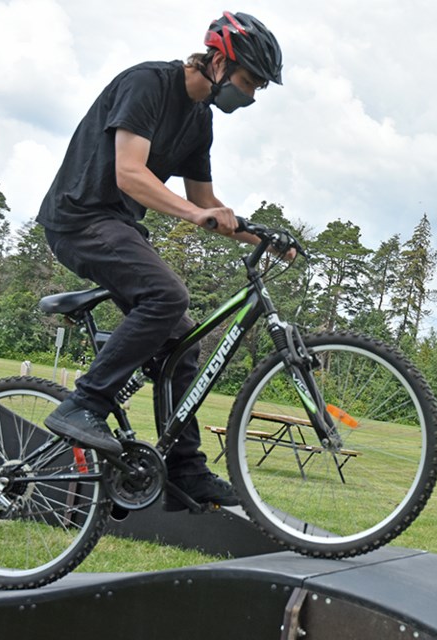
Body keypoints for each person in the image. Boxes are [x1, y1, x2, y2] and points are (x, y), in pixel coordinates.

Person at [36, 11, 283, 510]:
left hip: (118, 226)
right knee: (167, 295)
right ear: (217, 60)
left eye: (258, 88)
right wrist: (196, 215)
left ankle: (184, 472)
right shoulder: (147, 84)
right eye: (248, 81)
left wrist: (262, 237)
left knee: (181, 341)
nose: (251, 96)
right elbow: (129, 174)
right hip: (79, 216)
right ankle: (83, 405)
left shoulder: (200, 121)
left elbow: (208, 203)